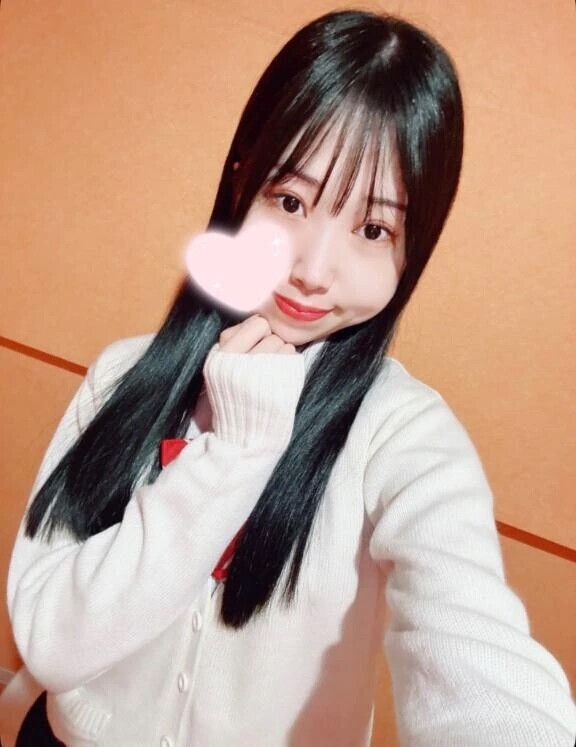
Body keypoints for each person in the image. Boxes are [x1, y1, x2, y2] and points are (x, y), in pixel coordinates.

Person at [0, 8, 575, 747]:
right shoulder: (125, 373)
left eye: (373, 229)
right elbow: (50, 643)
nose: (312, 268)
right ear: (243, 182)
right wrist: (236, 448)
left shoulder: (403, 436)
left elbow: (473, 644)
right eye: (292, 201)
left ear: (414, 246)